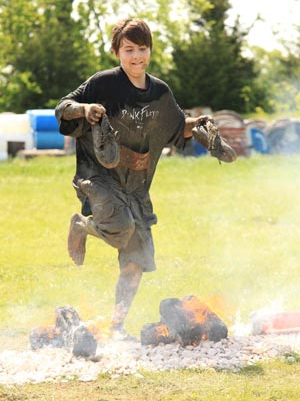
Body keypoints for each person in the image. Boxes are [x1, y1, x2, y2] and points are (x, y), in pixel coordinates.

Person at [55, 18, 211, 340]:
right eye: (129, 49)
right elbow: (62, 108)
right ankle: (81, 225)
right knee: (121, 226)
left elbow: (177, 126)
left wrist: (198, 124)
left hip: (137, 187)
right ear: (117, 52)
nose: (136, 56)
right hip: (98, 177)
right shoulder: (103, 83)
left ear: (150, 50)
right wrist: (84, 110)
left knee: (135, 261)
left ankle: (115, 326)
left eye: (142, 48)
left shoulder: (160, 93)